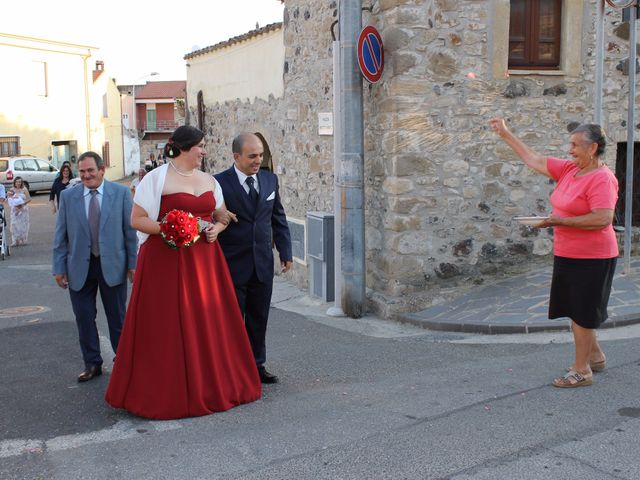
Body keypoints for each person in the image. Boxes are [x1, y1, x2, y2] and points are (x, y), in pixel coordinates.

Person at [105, 125, 261, 419]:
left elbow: (221, 213)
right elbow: (137, 220)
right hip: (165, 259)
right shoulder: (156, 179)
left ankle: (210, 385)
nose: (204, 151)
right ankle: (166, 391)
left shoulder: (209, 180)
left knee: (207, 319)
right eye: (200, 146)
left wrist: (217, 227)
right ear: (184, 148)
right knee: (165, 325)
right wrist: (171, 230)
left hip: (204, 261)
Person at [489, 118, 618, 388]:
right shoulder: (570, 169)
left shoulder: (602, 179)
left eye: (575, 145)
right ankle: (595, 356)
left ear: (593, 147)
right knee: (576, 309)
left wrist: (558, 221)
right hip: (568, 252)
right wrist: (506, 134)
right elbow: (533, 159)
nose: (569, 150)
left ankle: (581, 371)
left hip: (594, 256)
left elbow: (602, 219)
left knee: (583, 313)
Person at [52, 152, 138, 382]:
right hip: (79, 266)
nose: (86, 175)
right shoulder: (69, 197)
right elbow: (61, 235)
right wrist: (58, 267)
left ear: (102, 170)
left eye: (90, 170)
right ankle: (92, 363)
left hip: (113, 264)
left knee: (117, 317)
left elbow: (130, 233)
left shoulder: (119, 193)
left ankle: (123, 361)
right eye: (82, 172)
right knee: (83, 316)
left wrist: (133, 264)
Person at [215, 133, 293, 384]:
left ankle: (257, 365)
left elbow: (278, 218)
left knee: (259, 319)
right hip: (231, 264)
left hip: (262, 264)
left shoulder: (270, 180)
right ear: (236, 156)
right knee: (233, 322)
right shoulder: (219, 183)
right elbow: (213, 220)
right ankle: (233, 370)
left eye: (260, 155)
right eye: (252, 156)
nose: (258, 160)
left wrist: (285, 251)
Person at [7, 177, 31, 246]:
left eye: (20, 182)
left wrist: (22, 204)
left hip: (23, 209)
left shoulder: (24, 189)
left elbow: (29, 199)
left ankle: (23, 239)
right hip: (14, 209)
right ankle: (15, 240)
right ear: (14, 182)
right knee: (14, 224)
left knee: (23, 224)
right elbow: (9, 198)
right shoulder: (12, 189)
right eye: (17, 182)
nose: (18, 183)